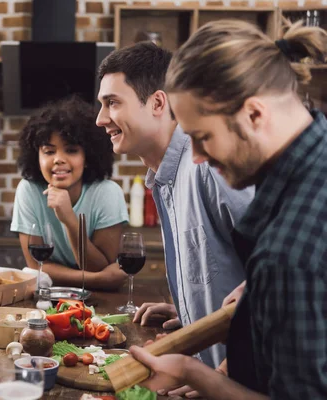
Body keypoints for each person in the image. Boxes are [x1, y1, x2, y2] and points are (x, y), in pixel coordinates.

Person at [129, 19, 327, 399]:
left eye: (203, 138)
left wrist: (195, 371)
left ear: (254, 114)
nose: (199, 158)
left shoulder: (286, 256)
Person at [95, 42, 253, 374]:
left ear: (157, 102)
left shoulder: (209, 166)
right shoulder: (166, 178)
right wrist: (193, 314)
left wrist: (225, 370)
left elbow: (282, 275)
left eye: (112, 103)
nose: (100, 119)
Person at [11, 96, 129, 290]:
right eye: (49, 152)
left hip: (102, 302)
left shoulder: (107, 193)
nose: (59, 159)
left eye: (71, 150)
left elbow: (99, 265)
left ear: (88, 156)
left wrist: (69, 219)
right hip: (48, 298)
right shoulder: (28, 190)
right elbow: (36, 266)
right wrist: (98, 280)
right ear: (36, 157)